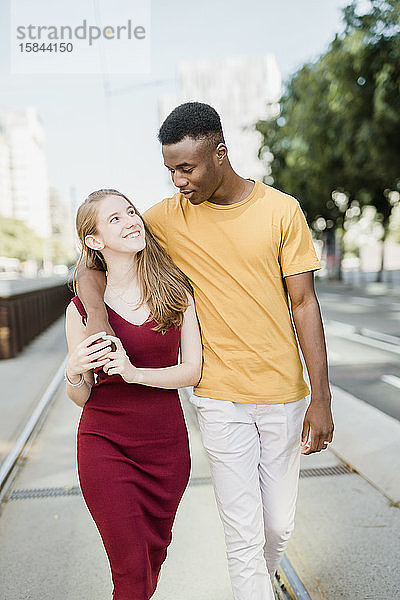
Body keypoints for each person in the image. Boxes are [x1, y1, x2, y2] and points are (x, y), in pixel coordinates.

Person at [77, 103, 334, 600]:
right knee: (242, 534)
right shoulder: (164, 219)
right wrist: (98, 318)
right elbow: (92, 260)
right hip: (217, 397)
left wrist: (321, 399)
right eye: (170, 170)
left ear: (220, 154)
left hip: (283, 393)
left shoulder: (282, 210)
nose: (178, 181)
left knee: (277, 527)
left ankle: (260, 580)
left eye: (187, 168)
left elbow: (304, 303)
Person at [64, 188, 202, 600]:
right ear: (94, 241)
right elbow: (83, 396)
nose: (130, 221)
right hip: (105, 446)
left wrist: (134, 373)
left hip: (166, 451)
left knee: (149, 567)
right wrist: (73, 371)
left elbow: (192, 371)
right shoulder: (81, 309)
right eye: (115, 219)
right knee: (129, 573)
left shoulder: (176, 293)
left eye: (130, 212)